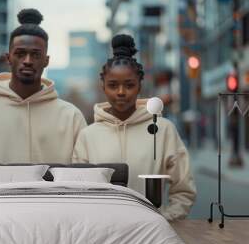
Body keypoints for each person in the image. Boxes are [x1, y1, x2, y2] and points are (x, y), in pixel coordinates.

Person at [0, 9, 87, 192]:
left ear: (46, 60)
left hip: (53, 216)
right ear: (8, 58)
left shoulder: (71, 117)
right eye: (20, 53)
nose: (28, 60)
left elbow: (81, 180)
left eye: (36, 55)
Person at [72, 34, 196, 221]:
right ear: (103, 86)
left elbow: (184, 189)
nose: (121, 92)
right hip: (101, 235)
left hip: (150, 237)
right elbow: (77, 191)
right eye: (113, 85)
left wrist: (166, 218)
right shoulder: (87, 136)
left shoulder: (163, 130)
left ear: (139, 86)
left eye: (129, 85)